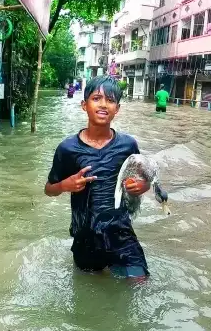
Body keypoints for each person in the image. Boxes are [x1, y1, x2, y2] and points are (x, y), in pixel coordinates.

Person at [44, 77, 150, 280]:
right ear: (84, 105)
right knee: (90, 292)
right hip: (86, 237)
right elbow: (49, 189)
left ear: (117, 108)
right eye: (96, 98)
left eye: (110, 100)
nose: (103, 104)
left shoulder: (128, 145)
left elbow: (145, 179)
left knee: (139, 282)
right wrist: (66, 185)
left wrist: (141, 186)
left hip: (122, 234)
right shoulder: (67, 149)